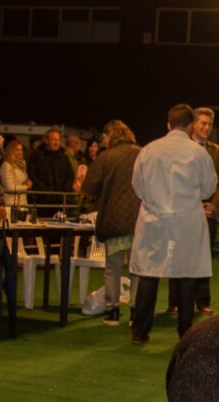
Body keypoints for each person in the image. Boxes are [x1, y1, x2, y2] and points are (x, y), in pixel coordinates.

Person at [129, 103, 216, 344]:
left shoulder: (148, 150)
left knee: (149, 274)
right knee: (186, 274)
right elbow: (209, 188)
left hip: (154, 219)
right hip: (186, 220)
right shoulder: (199, 153)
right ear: (190, 126)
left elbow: (137, 186)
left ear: (168, 124)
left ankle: (140, 331)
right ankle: (185, 331)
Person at [80, 120, 141, 326]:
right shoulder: (141, 154)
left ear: (110, 135)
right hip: (139, 222)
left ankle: (112, 311)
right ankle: (135, 312)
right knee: (137, 269)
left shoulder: (105, 157)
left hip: (114, 221)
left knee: (113, 268)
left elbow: (89, 187)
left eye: (104, 136)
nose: (103, 140)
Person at [169, 107, 219, 316]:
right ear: (192, 124)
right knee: (177, 255)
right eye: (202, 123)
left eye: (210, 124)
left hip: (208, 212)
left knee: (204, 257)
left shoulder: (217, 151)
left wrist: (213, 205)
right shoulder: (179, 147)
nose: (206, 127)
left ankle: (202, 301)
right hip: (183, 212)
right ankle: (174, 301)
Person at [27, 128, 75, 216]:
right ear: (46, 140)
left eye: (58, 140)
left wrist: (64, 191)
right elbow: (32, 175)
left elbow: (70, 175)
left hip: (61, 201)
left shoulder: (63, 157)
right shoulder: (37, 156)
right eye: (53, 140)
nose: (56, 143)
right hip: (42, 200)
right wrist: (43, 190)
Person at [0, 140, 32, 210]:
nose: (20, 152)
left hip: (21, 202)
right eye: (17, 150)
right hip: (11, 203)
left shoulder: (21, 165)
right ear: (11, 151)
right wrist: (26, 187)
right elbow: (9, 187)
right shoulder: (7, 166)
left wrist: (27, 182)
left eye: (21, 150)